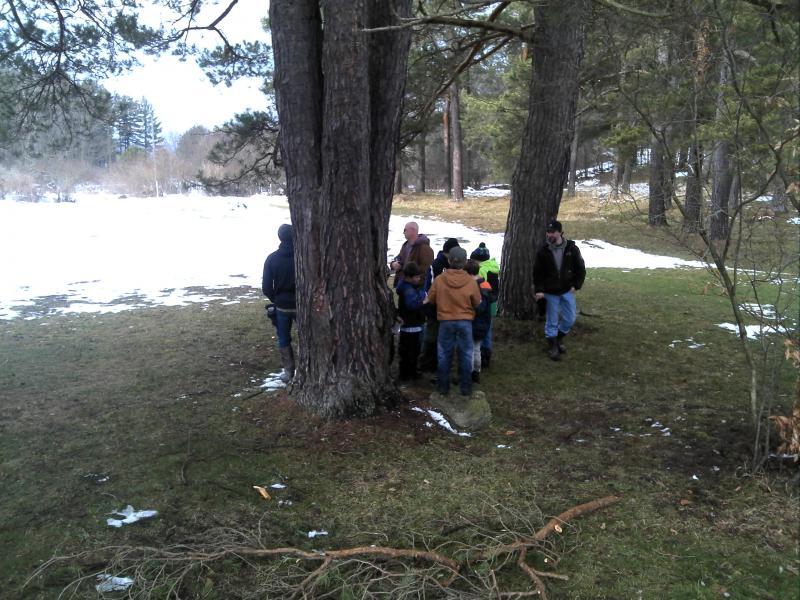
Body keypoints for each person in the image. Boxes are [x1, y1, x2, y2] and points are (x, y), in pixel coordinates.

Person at [425, 247, 481, 396]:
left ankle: (443, 387)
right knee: (466, 354)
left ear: (449, 261)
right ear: (465, 262)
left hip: (445, 321)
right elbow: (477, 302)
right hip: (465, 322)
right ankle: (466, 388)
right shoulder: (470, 281)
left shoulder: (440, 280)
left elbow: (430, 299)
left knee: (444, 354)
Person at [533, 219, 585, 361]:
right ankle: (553, 347)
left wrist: (576, 285)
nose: (549, 235)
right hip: (550, 292)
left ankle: (558, 339)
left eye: (552, 232)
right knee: (552, 321)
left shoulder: (572, 249)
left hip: (567, 290)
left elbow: (580, 268)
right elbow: (537, 273)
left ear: (560, 233)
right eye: (548, 232)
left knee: (570, 319)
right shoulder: (543, 251)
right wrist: (539, 290)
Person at [419, 237, 460, 372]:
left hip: (450, 309)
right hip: (435, 307)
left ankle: (440, 363)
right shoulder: (436, 265)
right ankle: (426, 363)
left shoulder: (454, 265)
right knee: (431, 336)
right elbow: (431, 288)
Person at [262, 223, 297, 382]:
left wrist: (276, 300)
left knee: (283, 338)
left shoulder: (272, 259)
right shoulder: (303, 256)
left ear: (280, 237)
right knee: (307, 337)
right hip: (302, 305)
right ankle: (309, 369)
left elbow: (266, 287)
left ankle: (289, 373)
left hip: (282, 306)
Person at [470, 242, 499, 368]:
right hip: (493, 304)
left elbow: (479, 289)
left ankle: (482, 355)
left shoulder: (481, 270)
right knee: (488, 328)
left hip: (483, 304)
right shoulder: (493, 266)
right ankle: (487, 353)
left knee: (481, 329)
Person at [396, 262, 427, 381]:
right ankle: (408, 374)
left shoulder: (407, 287)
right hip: (411, 323)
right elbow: (412, 305)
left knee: (408, 350)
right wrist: (423, 300)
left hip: (410, 324)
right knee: (411, 351)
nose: (419, 279)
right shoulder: (408, 289)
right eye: (417, 277)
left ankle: (408, 373)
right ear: (409, 277)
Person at [465, 259, 493, 383]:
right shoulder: (485, 284)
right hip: (484, 322)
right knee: (476, 348)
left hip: (474, 322)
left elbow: (479, 306)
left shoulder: (473, 286)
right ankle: (476, 372)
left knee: (470, 349)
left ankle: (469, 373)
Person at [390, 221, 434, 288]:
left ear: (412, 230)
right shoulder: (405, 245)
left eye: (405, 230)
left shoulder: (425, 248)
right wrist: (393, 264)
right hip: (403, 283)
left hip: (415, 287)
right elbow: (399, 259)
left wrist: (411, 278)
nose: (403, 232)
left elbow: (425, 270)